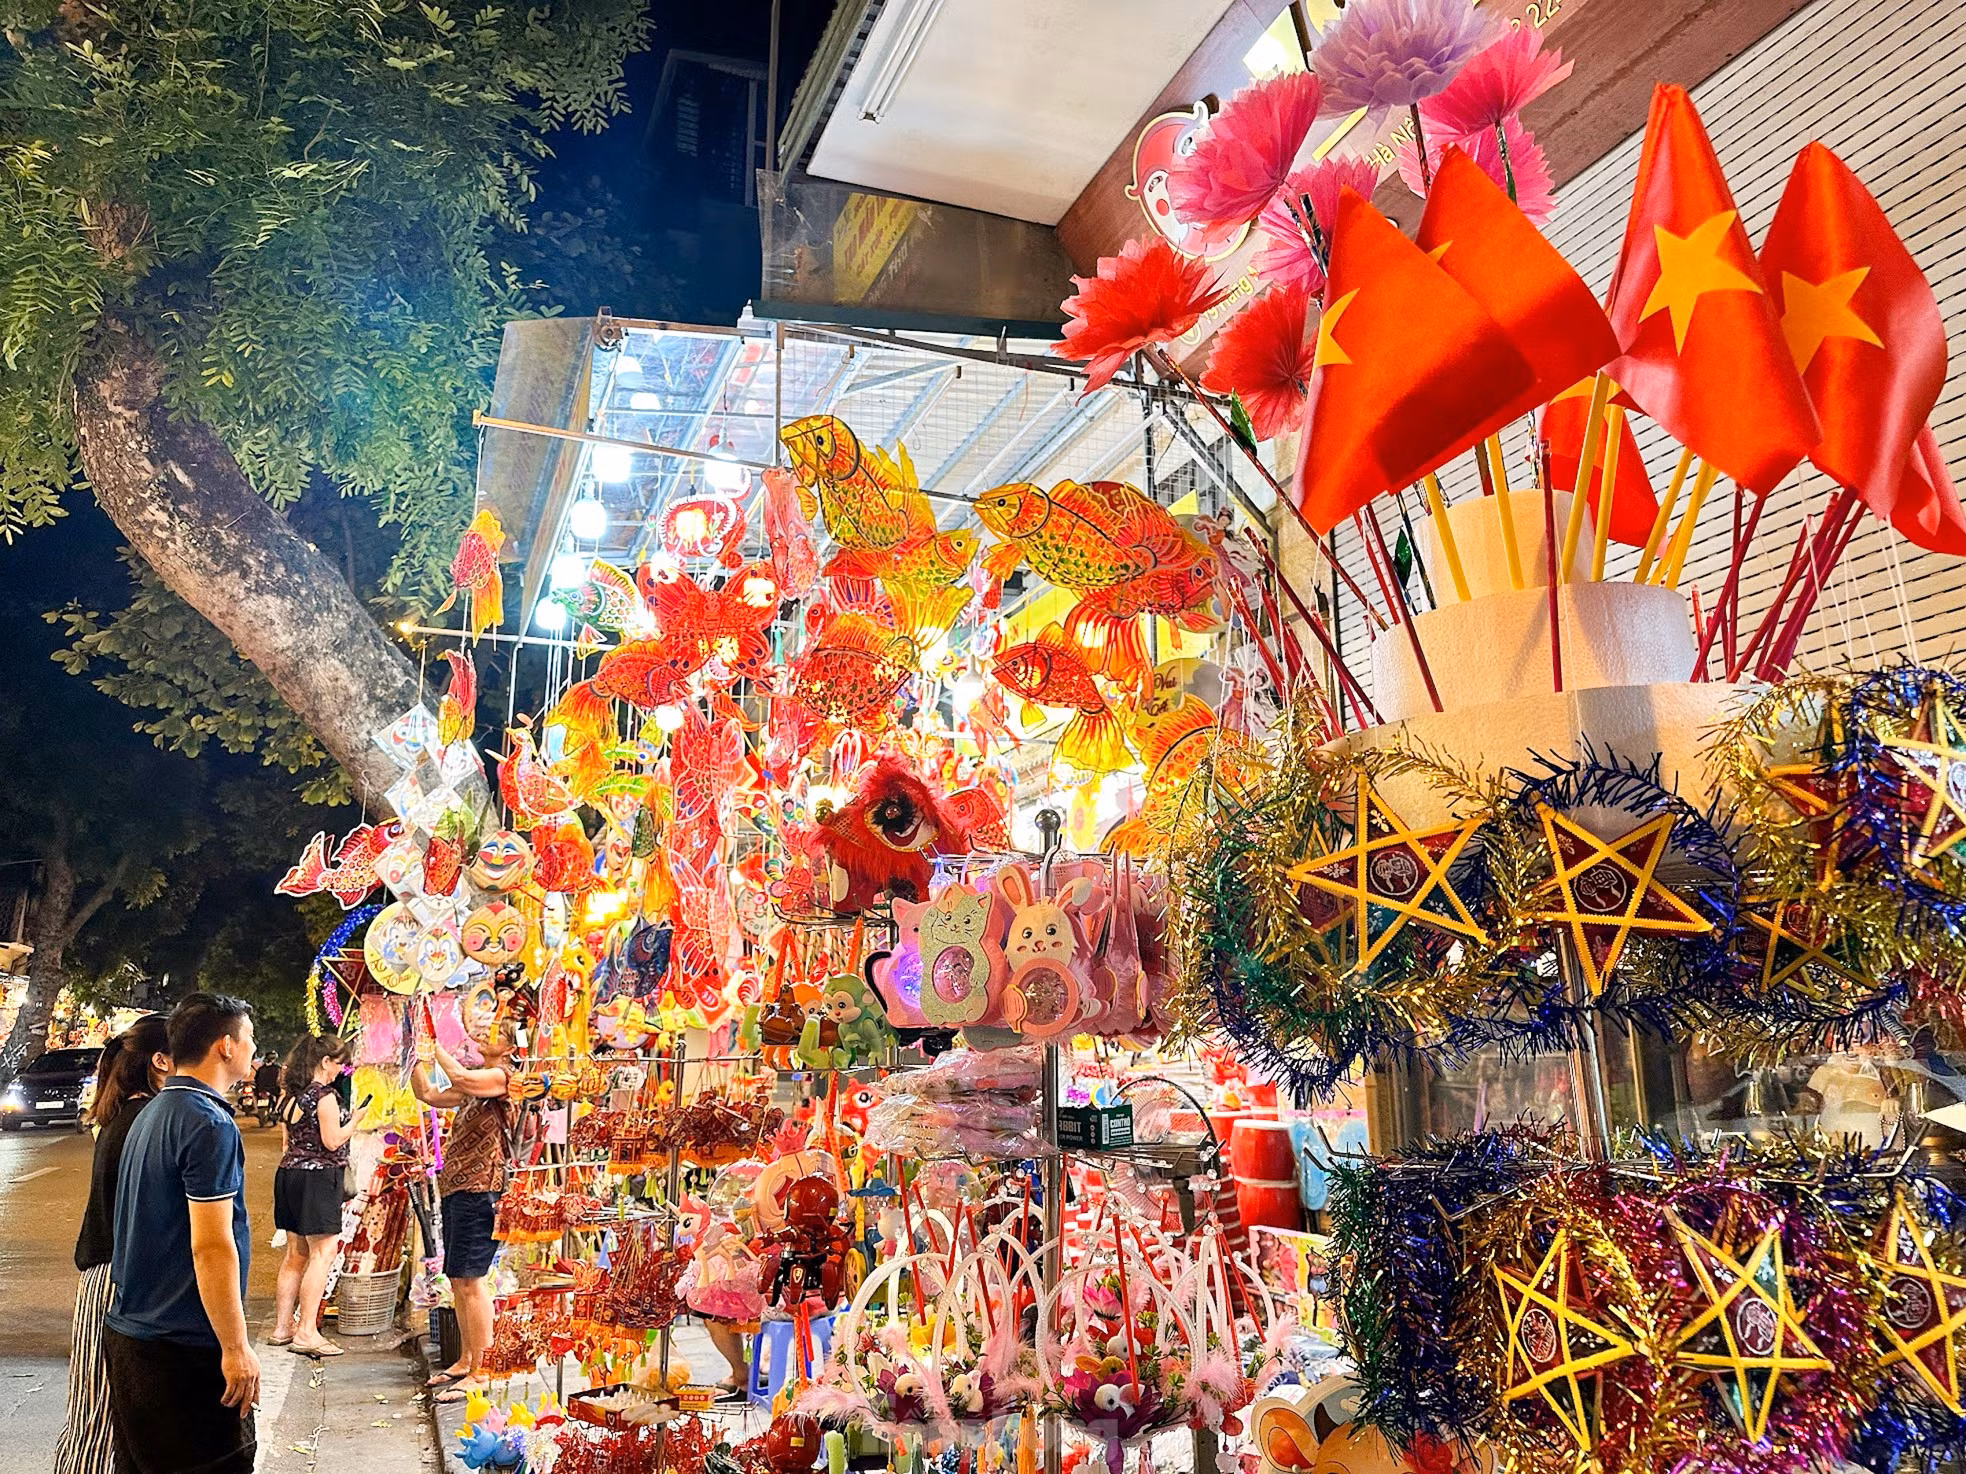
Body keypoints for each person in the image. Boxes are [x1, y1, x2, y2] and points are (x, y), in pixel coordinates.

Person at [105, 993, 259, 1474]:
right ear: (225, 1046)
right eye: (250, 1038)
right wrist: (235, 1347)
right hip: (183, 1349)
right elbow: (211, 1245)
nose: (255, 1048)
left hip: (135, 1340)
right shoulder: (207, 1122)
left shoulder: (152, 1113)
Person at [53, 1015, 171, 1474]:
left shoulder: (129, 1114)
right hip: (115, 1278)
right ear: (160, 1061)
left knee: (98, 1414)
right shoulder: (144, 1119)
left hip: (108, 1276)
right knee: (101, 1418)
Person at [409, 1022, 514, 1402]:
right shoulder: (475, 1084)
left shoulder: (503, 1077)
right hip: (458, 1188)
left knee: (472, 1279)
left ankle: (482, 1371)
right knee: (458, 1279)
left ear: (510, 1046)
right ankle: (468, 1359)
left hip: (482, 1189)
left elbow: (461, 1077)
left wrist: (433, 1045)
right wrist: (413, 1054)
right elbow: (428, 1094)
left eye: (496, 1031)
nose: (485, 1033)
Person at [270, 1035, 364, 1357]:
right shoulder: (324, 1096)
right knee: (323, 1254)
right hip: (318, 1179)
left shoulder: (290, 1098)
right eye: (339, 1064)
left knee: (295, 1254)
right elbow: (332, 1140)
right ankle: (307, 1332)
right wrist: (355, 1120)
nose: (340, 1071)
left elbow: (287, 1143)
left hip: (289, 1175)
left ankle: (283, 1327)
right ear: (325, 1062)